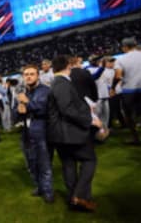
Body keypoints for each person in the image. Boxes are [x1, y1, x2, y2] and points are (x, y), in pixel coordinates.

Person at [47, 55, 102, 212]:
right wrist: (90, 120)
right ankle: (79, 195)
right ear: (68, 66)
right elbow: (67, 109)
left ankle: (74, 200)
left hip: (62, 133)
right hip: (70, 133)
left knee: (69, 164)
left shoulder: (57, 82)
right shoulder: (61, 83)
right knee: (89, 160)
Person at [13, 64, 53, 203]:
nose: (29, 76)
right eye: (26, 74)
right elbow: (16, 114)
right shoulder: (23, 92)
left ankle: (48, 191)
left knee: (44, 163)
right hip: (26, 132)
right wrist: (18, 109)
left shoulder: (45, 91)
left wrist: (27, 103)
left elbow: (42, 110)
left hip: (41, 132)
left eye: (31, 74)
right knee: (31, 163)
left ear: (38, 76)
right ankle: (40, 187)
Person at [112, 37, 141, 146]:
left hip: (129, 89)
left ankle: (135, 138)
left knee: (128, 115)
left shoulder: (121, 59)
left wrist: (113, 88)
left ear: (125, 47)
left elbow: (118, 76)